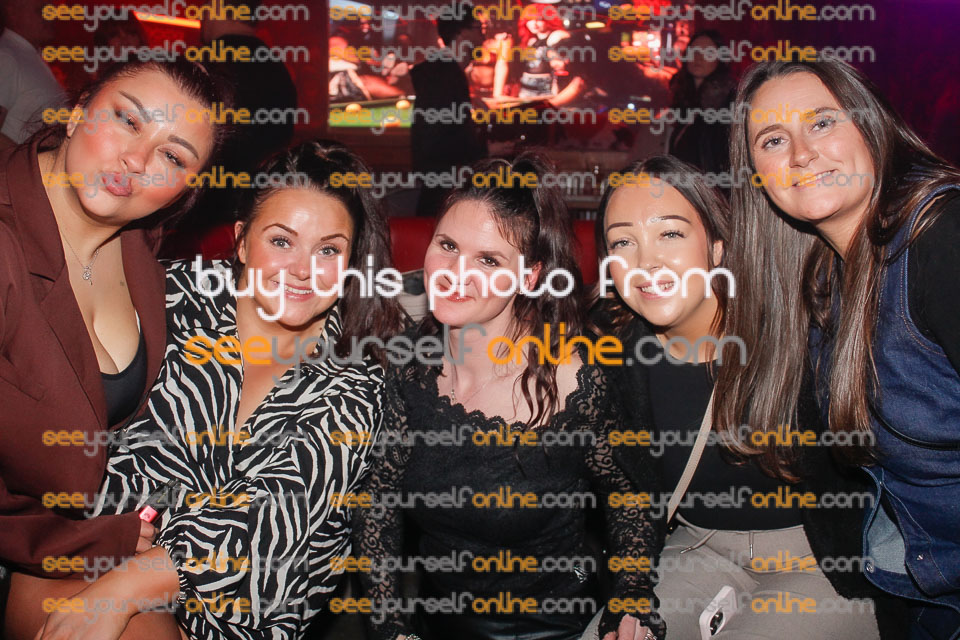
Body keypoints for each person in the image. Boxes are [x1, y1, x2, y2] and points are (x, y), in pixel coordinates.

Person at [6, 140, 407, 639]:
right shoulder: (167, 299)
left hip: (237, 613)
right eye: (281, 241)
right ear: (241, 241)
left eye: (328, 250)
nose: (303, 270)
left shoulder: (356, 382)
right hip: (94, 549)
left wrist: (123, 591)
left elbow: (269, 522)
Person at [352, 154, 665, 640]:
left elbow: (630, 497)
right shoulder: (407, 366)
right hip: (439, 621)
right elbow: (377, 501)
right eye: (447, 246)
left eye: (489, 260)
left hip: (554, 623)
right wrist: (389, 623)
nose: (456, 272)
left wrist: (630, 598)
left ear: (529, 276)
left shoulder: (571, 381)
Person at [592, 154, 894, 639]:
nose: (646, 261)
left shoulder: (796, 332)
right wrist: (631, 590)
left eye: (670, 233)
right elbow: (625, 491)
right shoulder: (614, 357)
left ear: (716, 248)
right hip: (696, 549)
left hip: (820, 561)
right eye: (623, 242)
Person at [718, 57, 960, 638]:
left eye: (822, 122)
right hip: (921, 594)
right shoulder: (824, 280)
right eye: (774, 139)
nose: (801, 154)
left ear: (871, 124)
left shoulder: (941, 237)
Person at [0, 58, 229, 625]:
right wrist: (101, 541)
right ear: (78, 112)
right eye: (128, 121)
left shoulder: (140, 250)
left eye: (173, 156)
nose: (138, 160)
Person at [410, 3, 486, 216]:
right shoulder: (444, 78)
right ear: (462, 33)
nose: (483, 37)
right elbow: (438, 144)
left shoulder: (444, 73)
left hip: (442, 195)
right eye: (479, 29)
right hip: (442, 200)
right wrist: (485, 151)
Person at [667, 31, 736, 178]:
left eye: (708, 52)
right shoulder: (685, 104)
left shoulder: (727, 105)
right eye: (694, 51)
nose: (699, 57)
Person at [0, 0, 66, 143]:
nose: (51, 15)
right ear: (12, 12)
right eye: (42, 10)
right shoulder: (6, 57)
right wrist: (27, 156)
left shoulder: (27, 55)